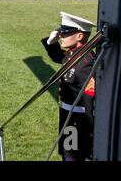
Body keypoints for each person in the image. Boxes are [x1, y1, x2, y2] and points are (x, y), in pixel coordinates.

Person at [41, 12, 96, 161]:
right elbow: (59, 57)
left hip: (80, 122)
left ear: (79, 36)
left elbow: (90, 100)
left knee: (76, 157)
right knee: (67, 154)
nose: (61, 36)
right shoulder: (73, 54)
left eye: (65, 33)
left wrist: (92, 133)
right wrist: (50, 43)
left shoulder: (86, 63)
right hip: (68, 116)